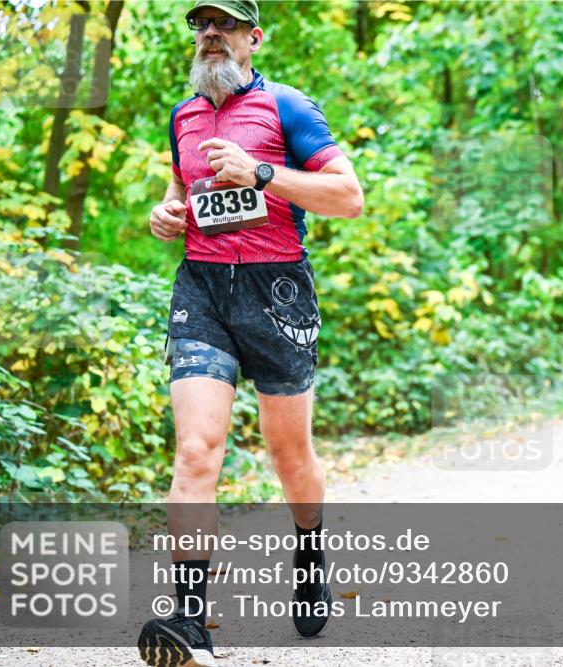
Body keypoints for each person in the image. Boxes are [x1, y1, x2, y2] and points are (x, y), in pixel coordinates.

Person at [139, 2, 364, 665]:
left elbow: (349, 196)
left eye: (226, 25)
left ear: (252, 39)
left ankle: (309, 548)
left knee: (289, 455)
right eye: (201, 25)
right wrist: (167, 214)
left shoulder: (289, 107)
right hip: (203, 289)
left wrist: (262, 172)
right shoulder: (182, 115)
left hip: (277, 290)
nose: (211, 34)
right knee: (197, 449)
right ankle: (188, 620)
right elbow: (184, 193)